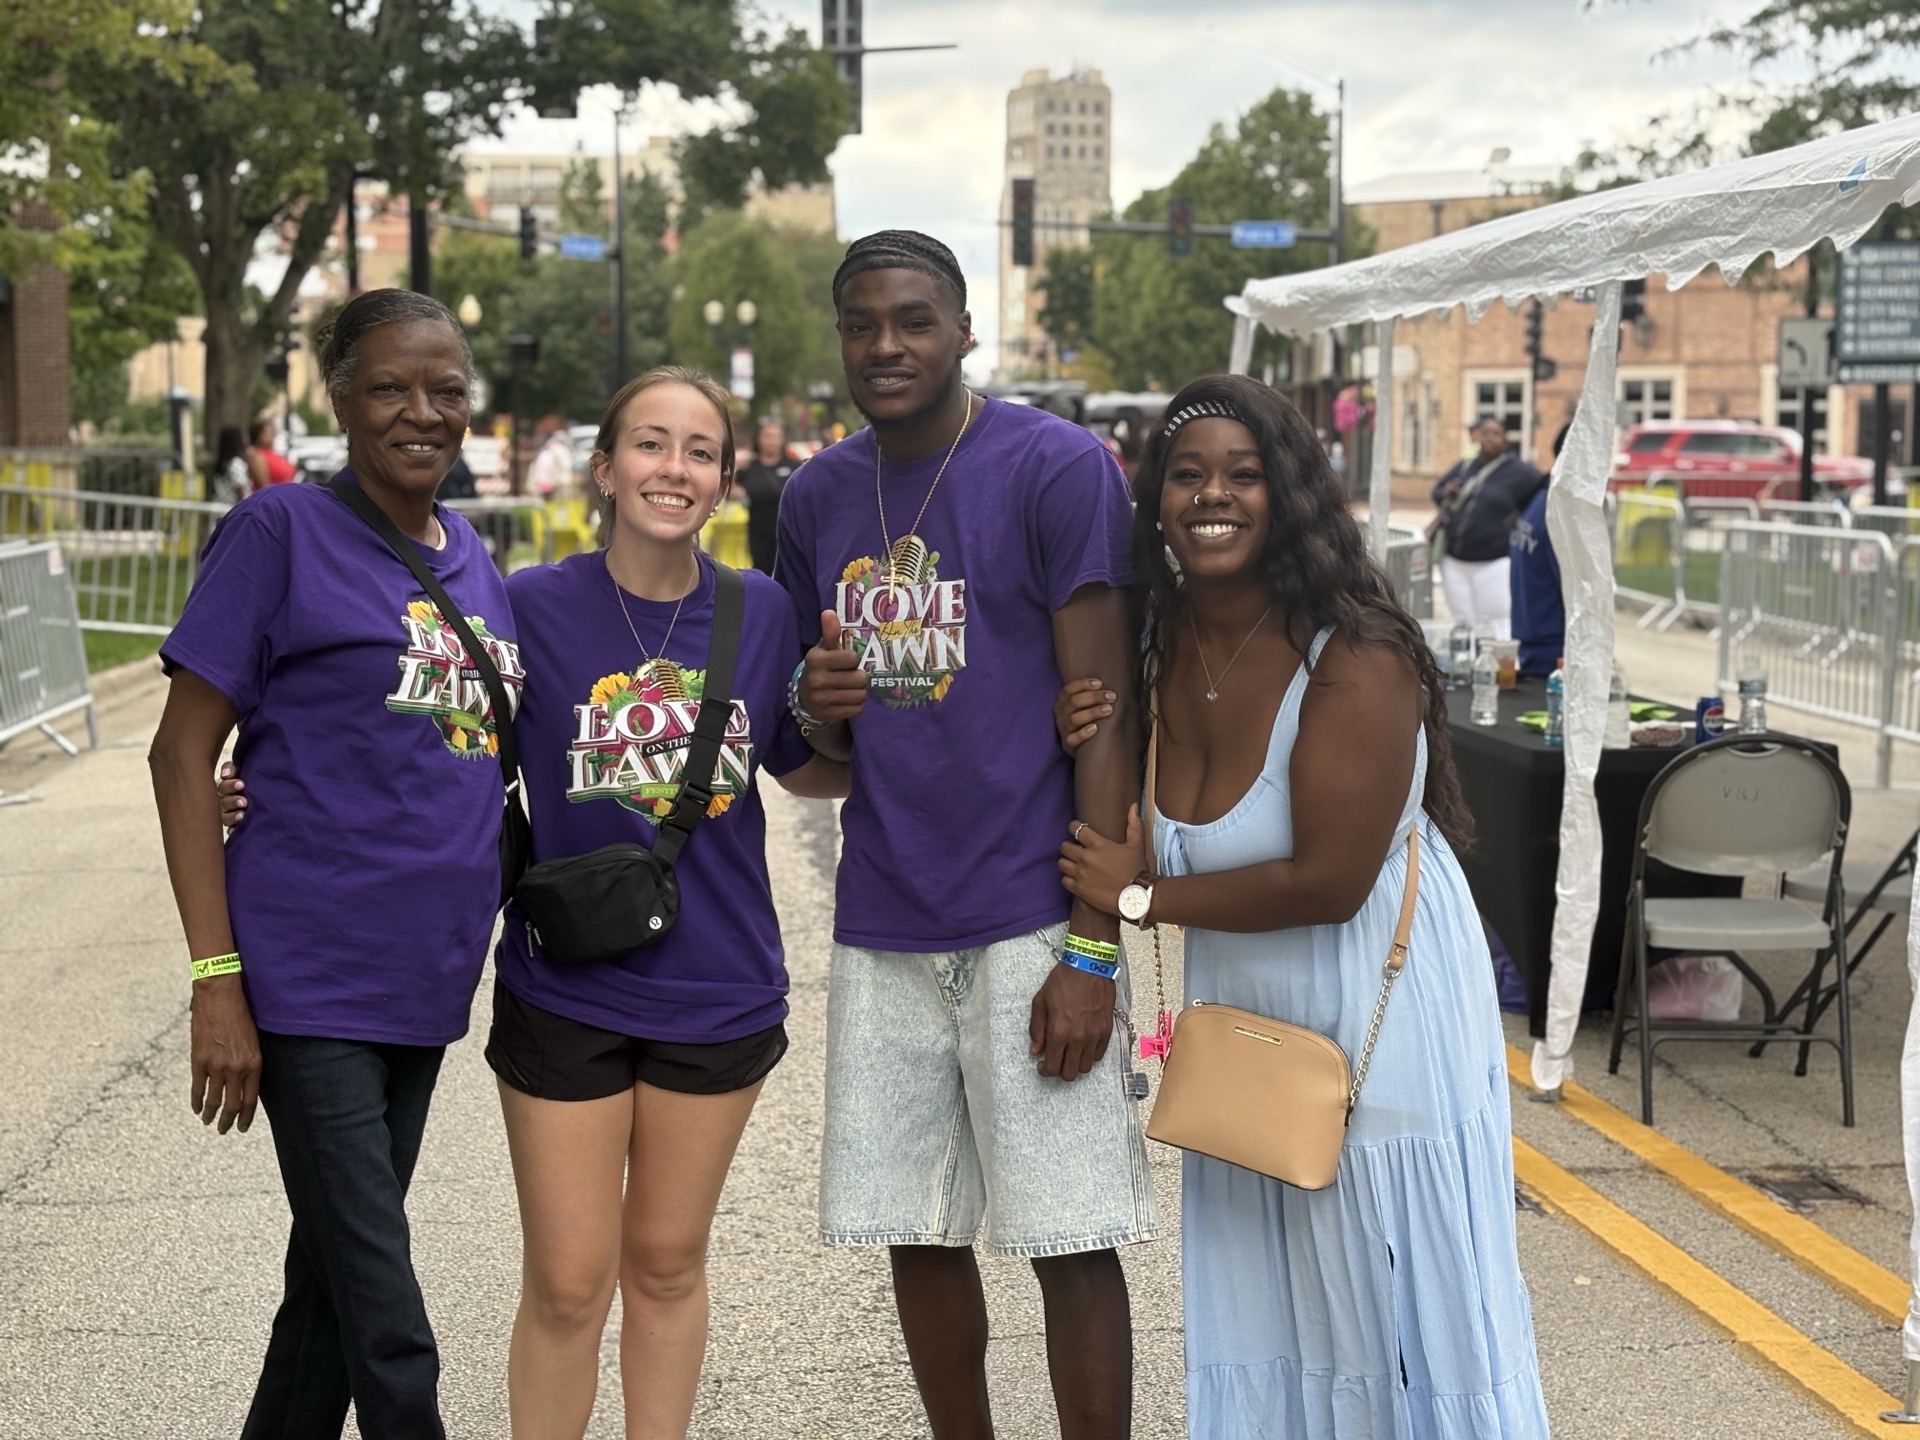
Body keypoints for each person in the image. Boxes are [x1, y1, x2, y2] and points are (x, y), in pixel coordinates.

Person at [1054, 374, 1548, 1437]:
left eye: (1243, 474)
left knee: (1398, 1313)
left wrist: (1140, 897)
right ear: (1155, 502)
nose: (1211, 496)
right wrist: (1071, 716)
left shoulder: (1355, 651)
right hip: (1250, 1044)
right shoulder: (1156, 647)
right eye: (1186, 476)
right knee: (1277, 1318)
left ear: (1290, 494)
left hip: (1382, 1013)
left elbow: (1329, 880)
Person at [778, 230, 1155, 1439]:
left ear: (963, 329)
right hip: (886, 911)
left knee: (1069, 1233)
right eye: (861, 323)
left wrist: (1093, 952)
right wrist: (811, 708)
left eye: (914, 319)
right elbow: (814, 759)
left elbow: (1105, 710)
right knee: (915, 1226)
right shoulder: (816, 496)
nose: (885, 344)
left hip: (1031, 909)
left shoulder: (1054, 467)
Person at [149, 289, 520, 1438]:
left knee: (329, 1295)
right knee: (388, 1315)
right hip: (310, 976)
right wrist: (217, 982)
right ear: (342, 400)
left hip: (427, 981)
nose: (423, 411)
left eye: (446, 389)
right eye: (390, 387)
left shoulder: (478, 559)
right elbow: (179, 754)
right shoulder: (280, 532)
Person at [487, 367, 848, 1439]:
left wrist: (853, 725)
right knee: (565, 1283)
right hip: (564, 983)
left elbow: (805, 770)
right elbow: (446, 749)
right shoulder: (526, 605)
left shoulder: (761, 610)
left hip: (718, 984)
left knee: (666, 1262)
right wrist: (255, 787)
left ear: (724, 483)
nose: (672, 468)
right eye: (649, 444)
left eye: (698, 451)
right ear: (604, 467)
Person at [1428, 415, 1543, 640]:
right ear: (1477, 436)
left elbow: (1542, 493)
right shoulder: (1466, 466)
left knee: (1496, 622)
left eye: (1496, 434)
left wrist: (1520, 518)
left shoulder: (1519, 471)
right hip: (1454, 561)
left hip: (1493, 562)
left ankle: (1496, 669)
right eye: (1485, 433)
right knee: (1463, 623)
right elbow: (1436, 492)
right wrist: (1446, 492)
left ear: (1505, 439)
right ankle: (1467, 668)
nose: (1490, 438)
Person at [1509, 423, 1567, 677]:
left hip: (1534, 638)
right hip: (1553, 649)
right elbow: (1573, 589)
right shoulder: (1559, 510)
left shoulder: (1542, 495)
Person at [735, 415, 794, 573]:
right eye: (767, 436)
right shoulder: (748, 468)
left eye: (776, 436)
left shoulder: (794, 466)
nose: (771, 441)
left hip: (787, 534)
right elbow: (726, 491)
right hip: (757, 534)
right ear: (758, 438)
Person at [248, 418, 296, 488]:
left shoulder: (275, 454)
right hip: (273, 495)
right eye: (266, 432)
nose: (271, 435)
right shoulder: (256, 455)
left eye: (271, 432)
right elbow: (264, 485)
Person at [211, 424, 252, 505]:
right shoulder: (236, 463)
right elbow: (240, 490)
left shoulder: (222, 464)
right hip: (233, 509)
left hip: (220, 508)